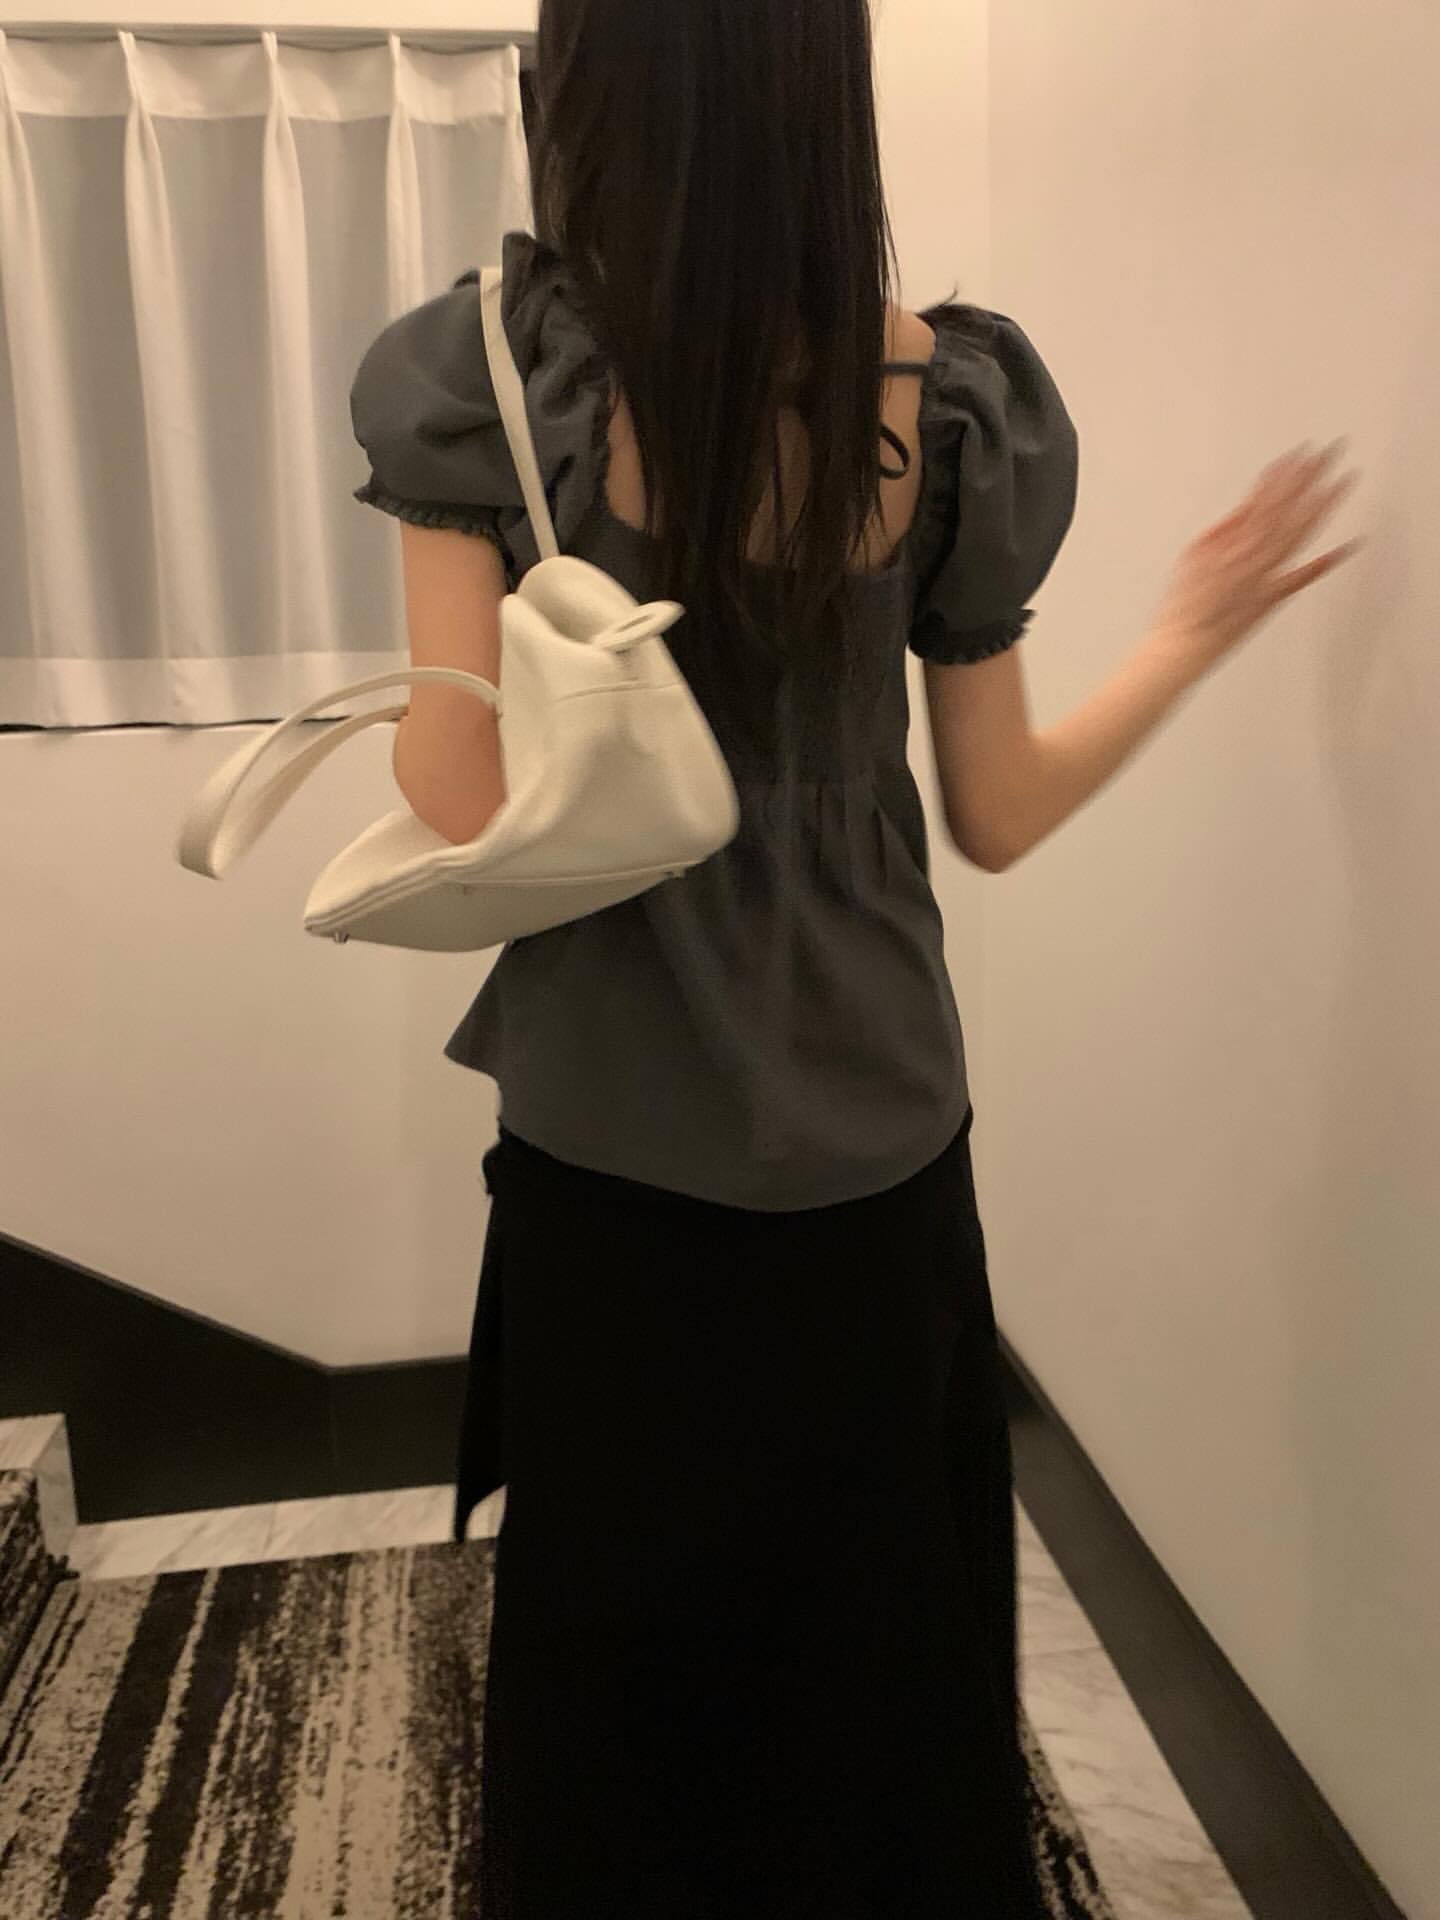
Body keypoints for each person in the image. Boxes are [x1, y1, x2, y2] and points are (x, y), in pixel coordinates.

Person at [348, 4, 1364, 1913]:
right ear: (826, 90)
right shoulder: (939, 396)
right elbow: (998, 811)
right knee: (884, 1670)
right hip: (885, 1155)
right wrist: (1190, 631)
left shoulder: (497, 379)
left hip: (613, 1158)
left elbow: (459, 795)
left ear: (591, 87)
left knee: (625, 1692)